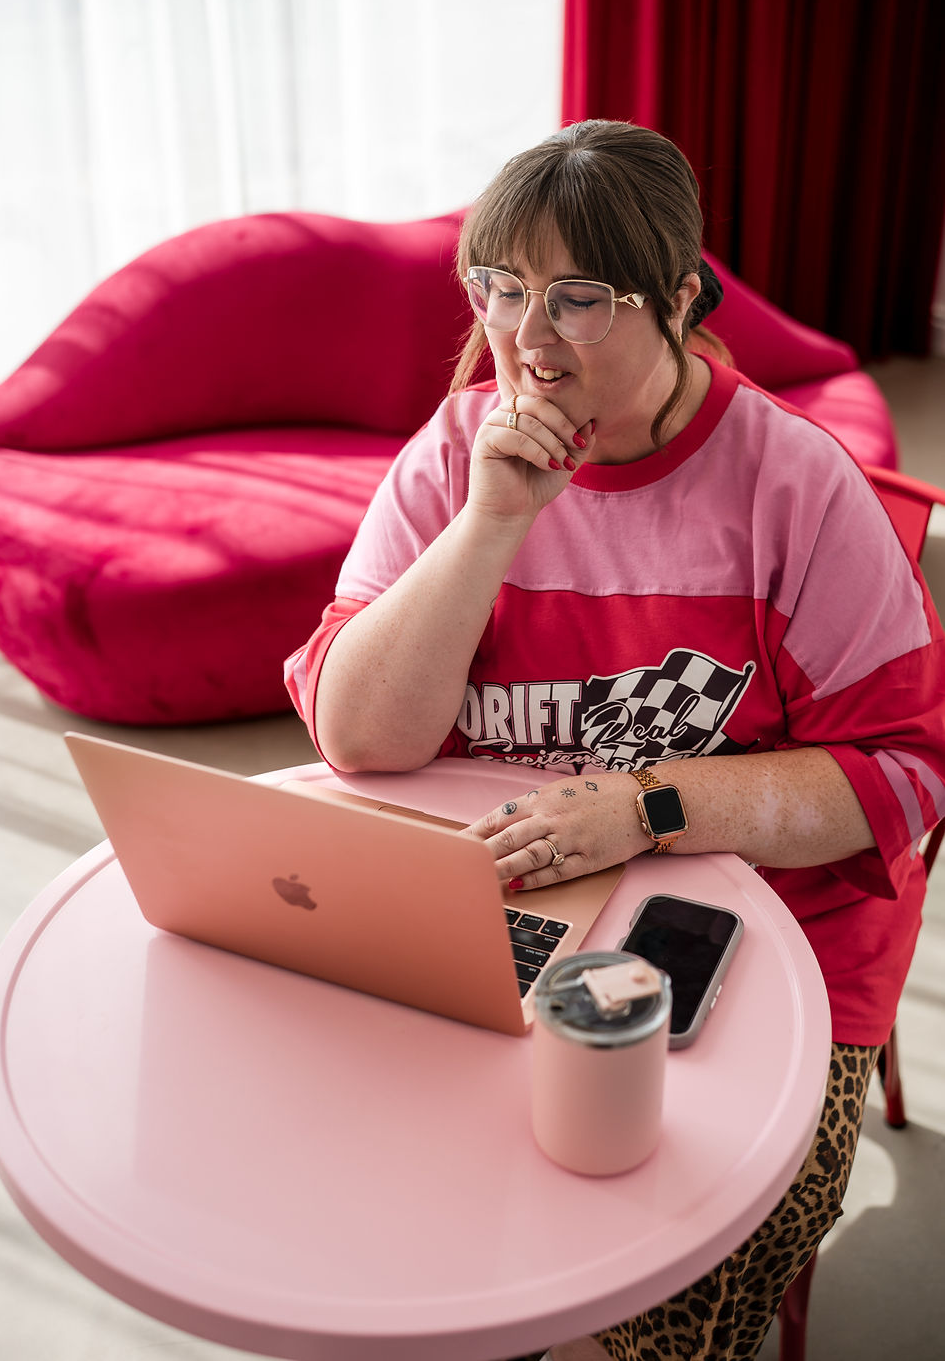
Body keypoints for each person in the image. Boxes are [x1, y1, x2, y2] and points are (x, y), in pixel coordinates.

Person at [285, 119, 945, 1360]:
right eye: (500, 289)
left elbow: (903, 773)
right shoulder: (454, 456)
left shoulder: (794, 490)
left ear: (681, 297)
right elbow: (357, 737)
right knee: (360, 1211)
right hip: (508, 908)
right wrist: (489, 529)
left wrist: (643, 804)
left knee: (629, 1318)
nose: (526, 340)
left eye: (578, 299)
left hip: (774, 942)